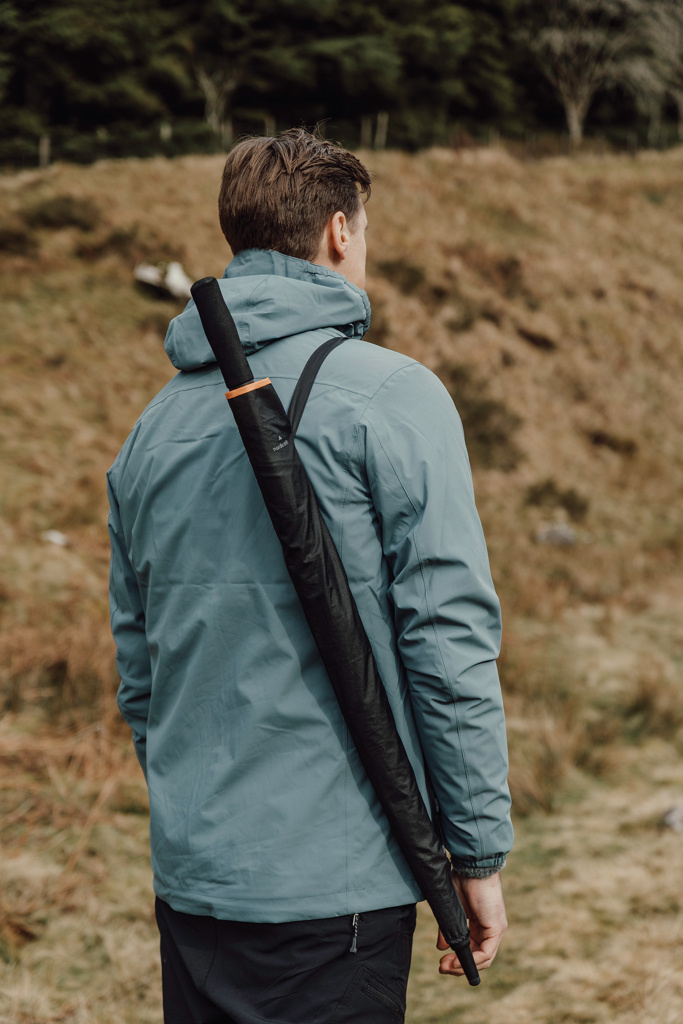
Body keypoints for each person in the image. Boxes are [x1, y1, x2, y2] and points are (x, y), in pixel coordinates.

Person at [108, 128, 512, 1024]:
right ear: (338, 231)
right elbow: (446, 644)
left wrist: (198, 810)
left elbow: (140, 674)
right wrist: (477, 852)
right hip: (341, 888)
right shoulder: (390, 397)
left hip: (196, 888)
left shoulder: (150, 431)